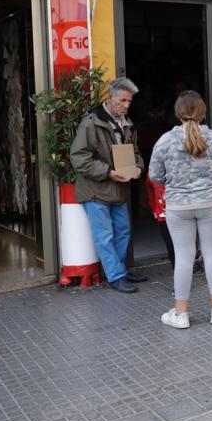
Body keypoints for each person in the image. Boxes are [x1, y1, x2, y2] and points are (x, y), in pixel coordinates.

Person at [149, 91, 212, 329]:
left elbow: (155, 176)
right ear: (203, 112)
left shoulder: (164, 141)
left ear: (177, 113)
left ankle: (180, 314)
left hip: (178, 205)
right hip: (211, 203)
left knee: (183, 257)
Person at [70, 77, 145, 294]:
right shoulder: (90, 123)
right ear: (109, 98)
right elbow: (78, 157)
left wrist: (138, 167)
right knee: (105, 236)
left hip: (117, 188)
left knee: (123, 231)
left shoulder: (126, 123)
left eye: (129, 101)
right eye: (122, 101)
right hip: (96, 190)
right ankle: (115, 276)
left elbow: (135, 151)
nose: (126, 105)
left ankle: (118, 270)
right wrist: (107, 172)